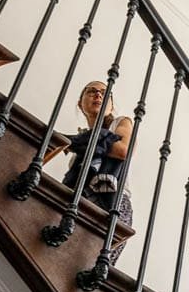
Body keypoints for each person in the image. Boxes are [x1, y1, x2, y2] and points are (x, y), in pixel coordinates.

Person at [55, 81, 134, 264]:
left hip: (113, 201)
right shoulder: (79, 148)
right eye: (92, 91)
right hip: (82, 200)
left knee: (93, 261)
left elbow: (123, 150)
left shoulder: (120, 123)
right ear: (80, 103)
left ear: (112, 105)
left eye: (105, 93)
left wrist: (73, 142)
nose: (98, 95)